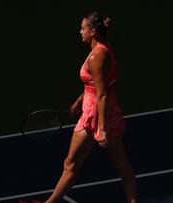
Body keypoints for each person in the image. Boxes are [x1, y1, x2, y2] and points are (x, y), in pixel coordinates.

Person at [43, 11, 137, 203]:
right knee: (122, 165)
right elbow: (100, 85)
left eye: (83, 28)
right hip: (108, 109)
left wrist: (101, 129)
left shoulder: (96, 57)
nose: (80, 32)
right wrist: (80, 98)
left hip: (95, 114)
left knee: (70, 164)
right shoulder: (105, 49)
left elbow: (101, 93)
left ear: (93, 31)